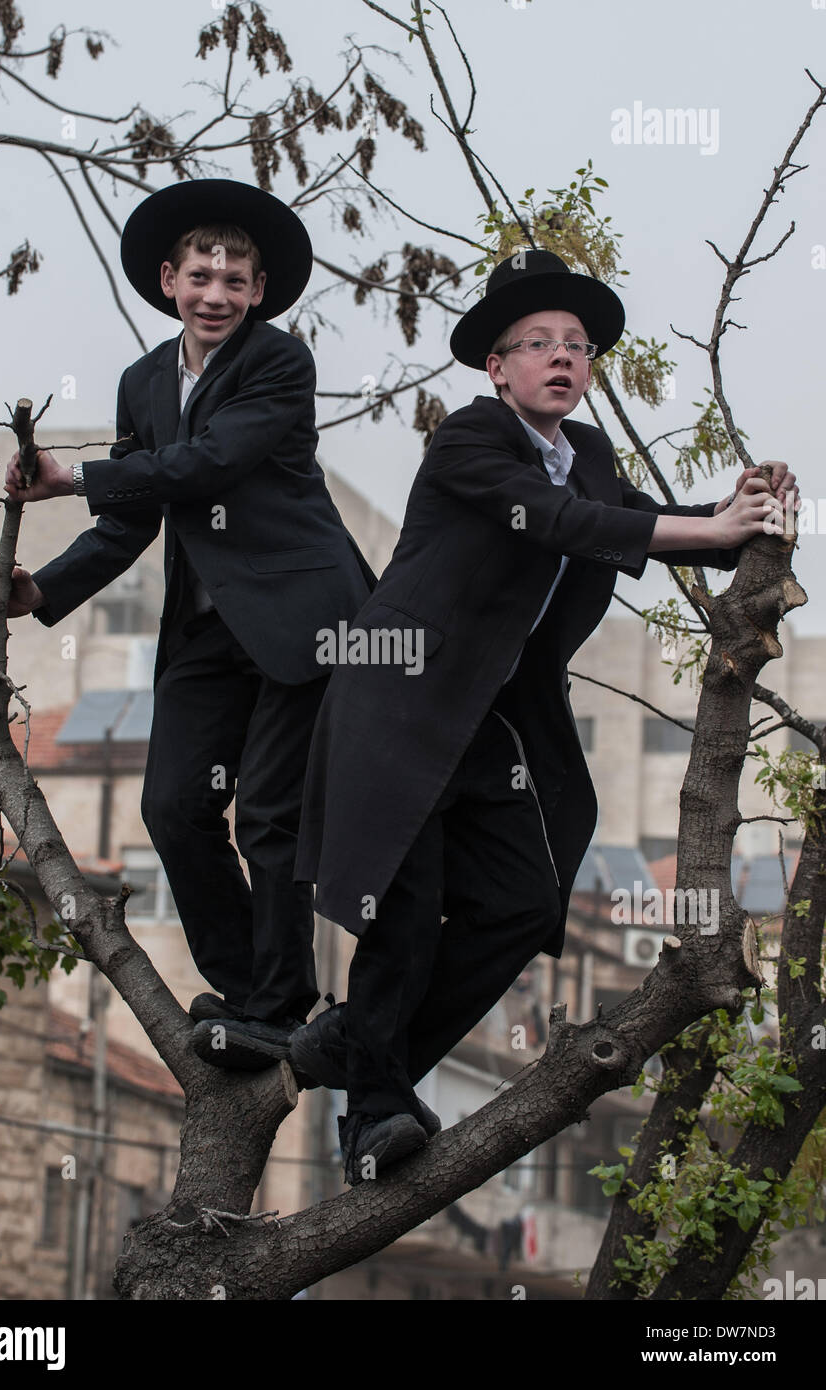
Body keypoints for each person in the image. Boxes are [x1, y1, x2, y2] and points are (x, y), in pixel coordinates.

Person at [289, 249, 799, 1184]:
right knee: (403, 915)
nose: (563, 357)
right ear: (497, 367)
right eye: (538, 344)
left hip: (491, 725)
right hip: (400, 704)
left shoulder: (591, 457)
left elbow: (645, 524)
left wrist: (739, 517)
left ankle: (352, 1044)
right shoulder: (471, 439)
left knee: (525, 900)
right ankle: (371, 1116)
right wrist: (709, 532)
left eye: (579, 345)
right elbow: (560, 523)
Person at [0, 179, 376, 1065]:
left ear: (259, 291)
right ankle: (242, 993)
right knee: (173, 807)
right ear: (168, 279)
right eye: (201, 276)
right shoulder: (141, 382)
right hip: (202, 628)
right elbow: (131, 517)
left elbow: (208, 464)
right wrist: (39, 592)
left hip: (305, 616)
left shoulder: (279, 363)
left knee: (267, 811)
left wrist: (68, 477)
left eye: (235, 279)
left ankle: (278, 1006)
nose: (217, 293)